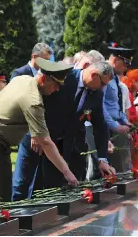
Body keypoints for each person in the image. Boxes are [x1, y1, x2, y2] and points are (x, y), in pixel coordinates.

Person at [0, 58, 79, 210]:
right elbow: (45, 141)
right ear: (43, 78)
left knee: (1, 198)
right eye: (56, 84)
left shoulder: (23, 79)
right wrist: (67, 172)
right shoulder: (33, 100)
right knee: (1, 204)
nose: (57, 89)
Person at [38, 61, 116, 189]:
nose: (103, 88)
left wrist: (102, 159)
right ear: (94, 75)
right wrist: (36, 133)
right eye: (102, 83)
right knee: (33, 184)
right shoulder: (65, 76)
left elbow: (100, 126)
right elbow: (41, 103)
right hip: (42, 139)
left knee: (58, 186)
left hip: (66, 145)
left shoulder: (97, 94)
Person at [11, 43, 53, 201]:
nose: (48, 63)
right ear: (35, 57)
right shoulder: (20, 73)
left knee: (36, 177)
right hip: (27, 133)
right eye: (45, 60)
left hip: (41, 132)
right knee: (22, 178)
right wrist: (32, 132)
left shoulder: (47, 76)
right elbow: (21, 106)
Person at [104, 45, 134, 172]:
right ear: (115, 60)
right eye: (125, 63)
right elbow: (101, 106)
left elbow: (116, 105)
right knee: (114, 168)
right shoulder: (103, 75)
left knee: (124, 166)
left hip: (118, 126)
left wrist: (124, 120)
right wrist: (115, 125)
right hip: (107, 128)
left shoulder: (115, 78)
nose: (126, 68)